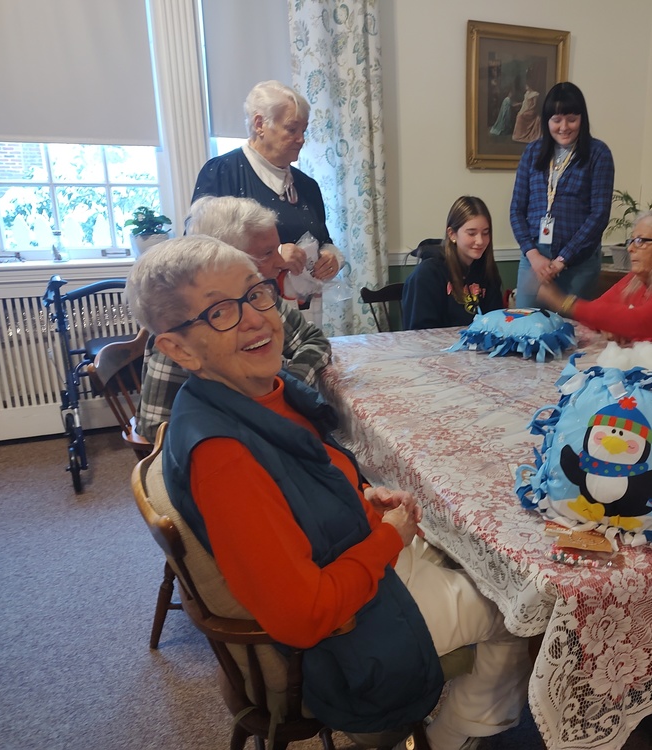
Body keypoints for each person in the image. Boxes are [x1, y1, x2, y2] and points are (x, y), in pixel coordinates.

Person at [127, 238, 532, 750]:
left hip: (348, 564)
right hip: (341, 638)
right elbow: (304, 616)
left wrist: (362, 503)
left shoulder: (261, 395)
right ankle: (451, 737)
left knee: (479, 555)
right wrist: (387, 540)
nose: (255, 318)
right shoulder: (224, 457)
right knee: (517, 611)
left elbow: (296, 501)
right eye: (220, 312)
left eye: (256, 293)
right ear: (180, 349)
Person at [136, 196, 332, 442]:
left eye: (278, 249)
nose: (281, 262)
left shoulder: (261, 297)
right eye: (268, 253)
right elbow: (157, 427)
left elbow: (313, 339)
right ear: (221, 256)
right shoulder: (185, 330)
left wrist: (289, 385)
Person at [192, 79, 342, 301]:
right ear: (260, 124)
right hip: (244, 307)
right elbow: (202, 252)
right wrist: (274, 256)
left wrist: (331, 257)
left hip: (305, 307)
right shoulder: (222, 172)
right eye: (292, 129)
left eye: (304, 130)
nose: (301, 139)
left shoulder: (308, 186)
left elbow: (323, 239)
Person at [536, 209, 652, 359]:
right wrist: (610, 325)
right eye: (631, 241)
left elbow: (642, 322)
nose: (630, 248)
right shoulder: (638, 278)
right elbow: (597, 310)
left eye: (640, 241)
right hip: (647, 363)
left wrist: (566, 303)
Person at [509, 82, 615, 308]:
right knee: (526, 322)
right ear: (547, 121)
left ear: (582, 119)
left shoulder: (598, 154)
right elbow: (516, 209)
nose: (564, 127)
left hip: (579, 261)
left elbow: (599, 215)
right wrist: (533, 255)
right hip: (535, 258)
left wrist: (562, 260)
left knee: (571, 327)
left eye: (571, 119)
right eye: (556, 120)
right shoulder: (533, 152)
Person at [402, 196, 504, 330]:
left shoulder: (487, 270)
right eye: (471, 233)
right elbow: (420, 333)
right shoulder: (427, 274)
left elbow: (496, 322)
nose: (480, 241)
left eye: (485, 233)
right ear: (452, 234)